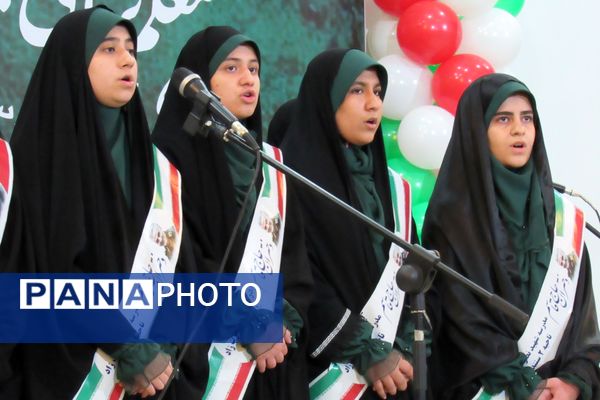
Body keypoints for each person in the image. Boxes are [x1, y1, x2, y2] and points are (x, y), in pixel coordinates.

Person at [9, 6, 181, 398]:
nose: (127, 60)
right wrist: (123, 340)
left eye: (131, 50)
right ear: (74, 61)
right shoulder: (35, 162)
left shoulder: (151, 165)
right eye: (108, 49)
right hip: (64, 375)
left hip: (147, 379)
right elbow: (44, 277)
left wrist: (163, 339)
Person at [152, 26, 313, 399]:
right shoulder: (169, 161)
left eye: (254, 69)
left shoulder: (271, 164)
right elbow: (177, 264)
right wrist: (246, 319)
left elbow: (295, 262)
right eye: (231, 68)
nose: (248, 79)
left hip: (270, 360)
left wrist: (280, 322)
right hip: (202, 360)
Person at [422, 73, 600, 399]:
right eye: (503, 119)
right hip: (488, 388)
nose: (519, 129)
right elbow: (462, 319)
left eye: (527, 118)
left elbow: (583, 318)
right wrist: (524, 384)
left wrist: (573, 379)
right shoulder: (453, 217)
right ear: (477, 131)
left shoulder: (561, 216)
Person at [280, 48, 420, 399]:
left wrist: (402, 347)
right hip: (331, 374)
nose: (373, 104)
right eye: (357, 90)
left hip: (396, 373)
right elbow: (298, 279)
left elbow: (417, 275)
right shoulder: (293, 180)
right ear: (326, 99)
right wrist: (367, 350)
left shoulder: (390, 187)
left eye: (378, 92)